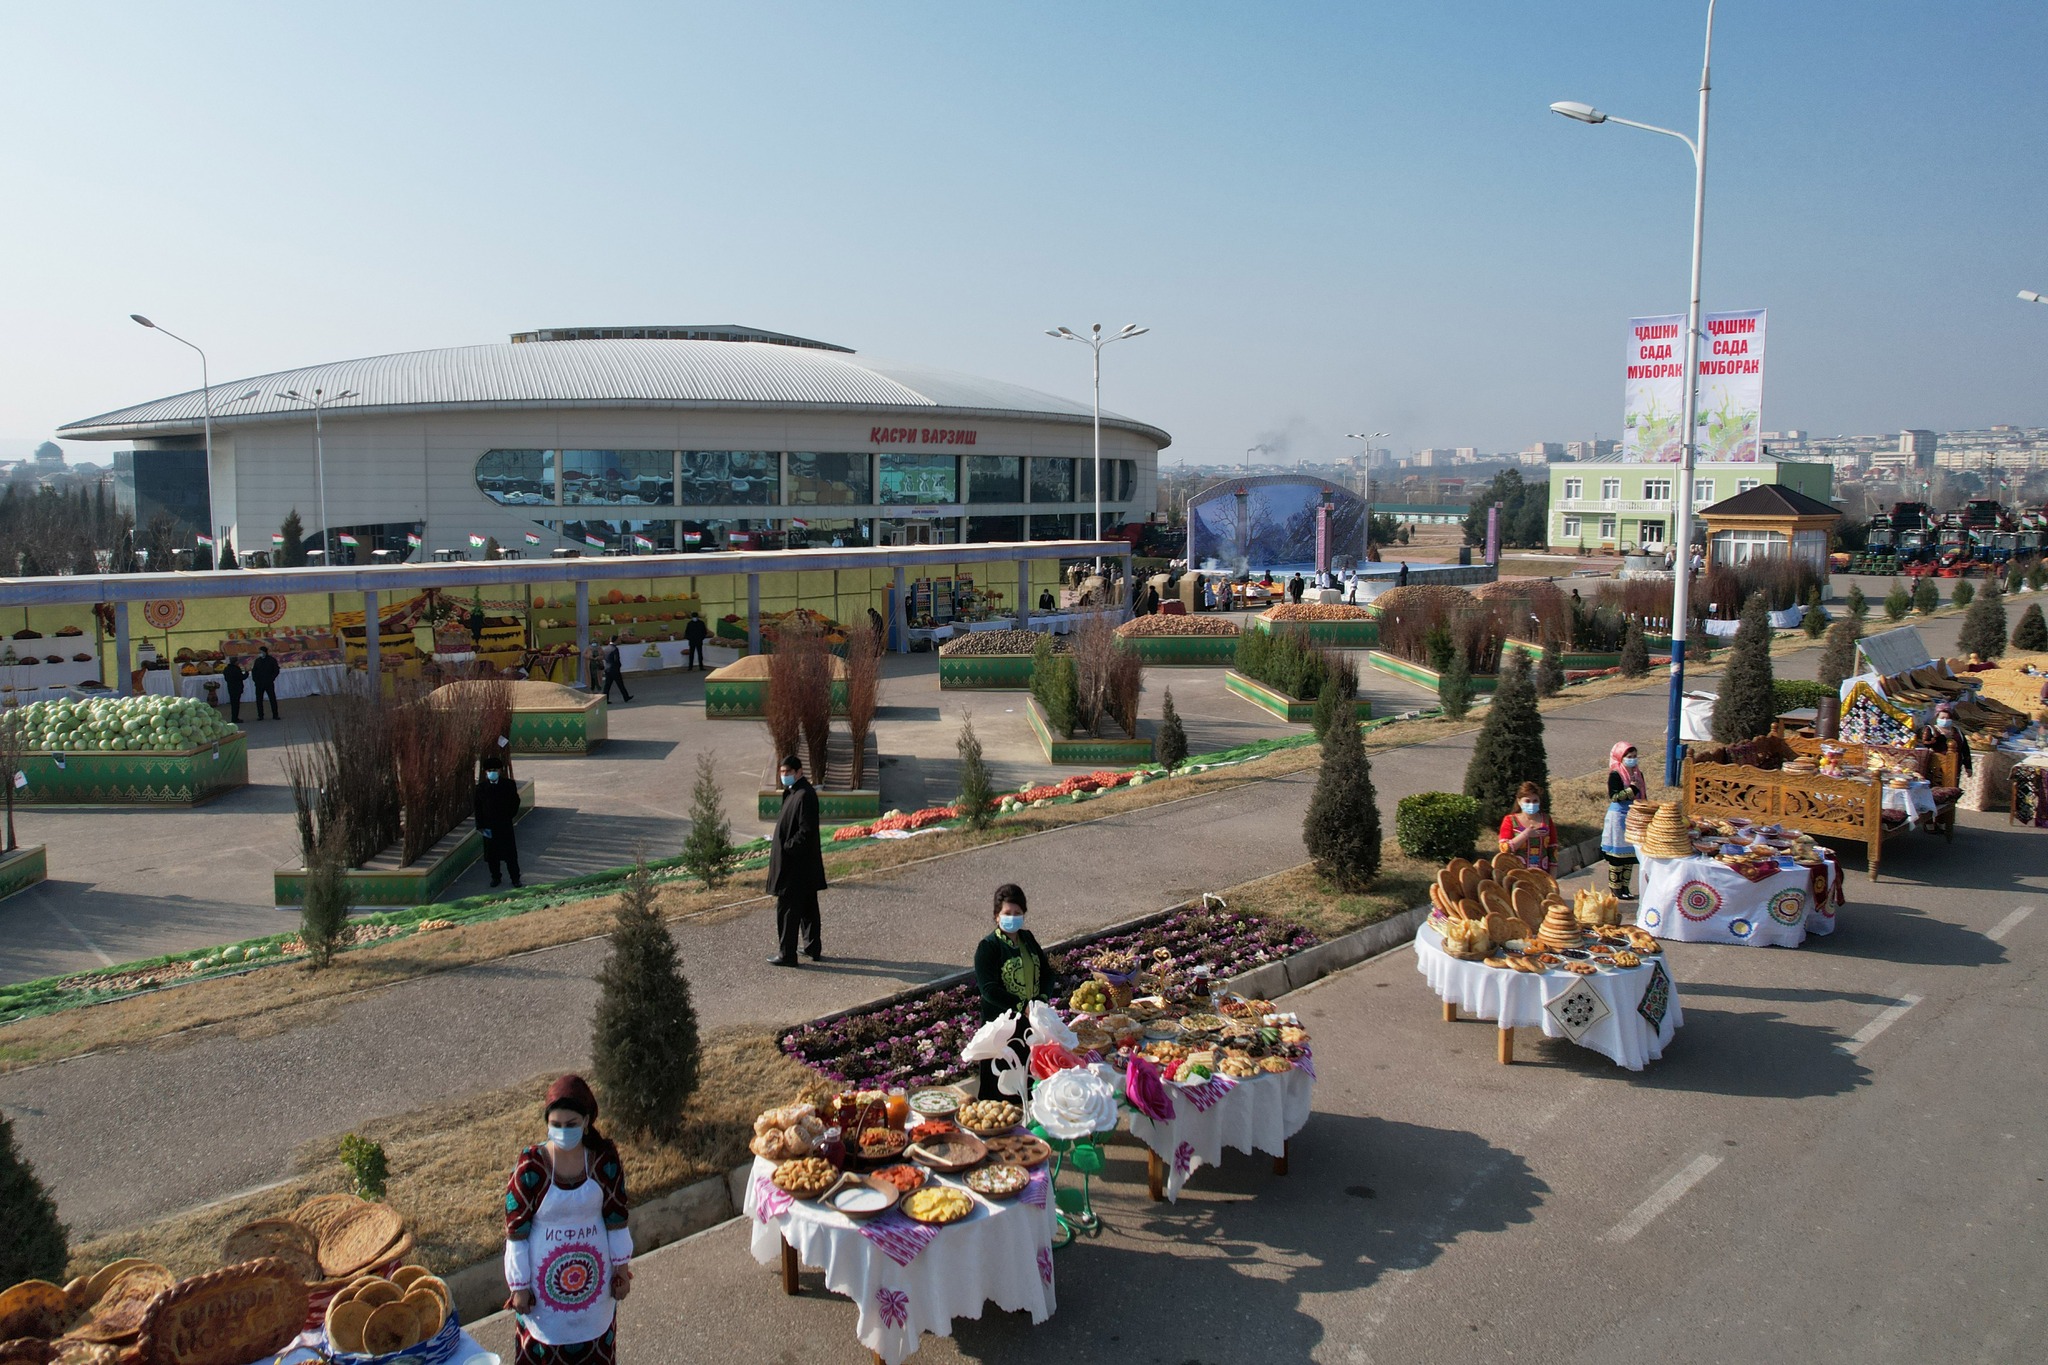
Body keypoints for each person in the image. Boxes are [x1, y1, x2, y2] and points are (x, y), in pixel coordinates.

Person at [503, 1075, 632, 1365]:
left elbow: (617, 1219)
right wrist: (519, 1286)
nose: (562, 1131)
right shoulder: (531, 1165)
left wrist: (622, 1271)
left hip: (595, 1297)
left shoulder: (603, 1159)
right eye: (555, 1125)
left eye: (571, 1124)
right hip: (542, 1300)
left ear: (587, 1122)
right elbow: (516, 1233)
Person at [972, 883, 1053, 1100]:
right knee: (1001, 1087)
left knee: (1028, 1081)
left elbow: (1047, 974)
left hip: (1029, 1024)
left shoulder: (1028, 939)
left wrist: (1041, 1000)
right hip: (1001, 1027)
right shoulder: (988, 947)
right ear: (997, 916)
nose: (1013, 918)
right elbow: (989, 990)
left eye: (1018, 913)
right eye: (1008, 913)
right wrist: (1021, 1006)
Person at [766, 753, 825, 966]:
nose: (784, 776)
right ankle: (812, 947)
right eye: (782, 772)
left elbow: (805, 831)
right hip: (803, 866)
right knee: (808, 907)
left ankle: (787, 954)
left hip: (795, 866)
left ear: (799, 772)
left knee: (787, 910)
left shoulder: (804, 795)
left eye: (788, 772)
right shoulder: (794, 792)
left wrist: (789, 848)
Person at [1602, 742, 1647, 900]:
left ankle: (1625, 886)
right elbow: (1614, 796)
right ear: (1621, 758)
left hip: (1634, 815)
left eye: (1635, 757)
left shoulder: (1638, 774)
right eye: (1629, 757)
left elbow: (1643, 795)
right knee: (1617, 855)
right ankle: (1615, 888)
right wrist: (1632, 789)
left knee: (1630, 855)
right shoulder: (1616, 774)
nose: (1632, 760)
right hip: (1619, 816)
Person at [476, 755, 522, 888]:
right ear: (485, 772)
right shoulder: (481, 788)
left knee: (510, 855)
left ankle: (515, 878)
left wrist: (509, 816)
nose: (492, 773)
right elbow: (478, 808)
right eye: (489, 770)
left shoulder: (508, 785)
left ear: (500, 770)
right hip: (488, 826)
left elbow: (515, 802)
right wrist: (480, 826)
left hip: (504, 825)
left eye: (495, 770)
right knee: (492, 855)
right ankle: (495, 877)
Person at [1498, 780, 1558, 873]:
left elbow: (1553, 851)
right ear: (1519, 801)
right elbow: (1504, 849)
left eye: (1535, 801)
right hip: (1517, 875)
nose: (1531, 804)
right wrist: (1526, 834)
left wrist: (1553, 879)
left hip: (1541, 875)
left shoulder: (1546, 820)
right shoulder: (1510, 820)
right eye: (1527, 801)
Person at [1922, 703, 1974, 779]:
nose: (1945, 720)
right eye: (1942, 718)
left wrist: (1968, 767)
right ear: (1937, 718)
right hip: (1936, 769)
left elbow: (1965, 750)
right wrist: (1939, 738)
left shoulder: (1957, 731)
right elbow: (1926, 744)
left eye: (1948, 718)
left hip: (1955, 768)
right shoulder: (1931, 730)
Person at [251, 645, 281, 720]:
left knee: (272, 699)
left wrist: (271, 678)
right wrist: (255, 680)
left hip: (269, 682)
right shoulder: (257, 661)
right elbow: (254, 671)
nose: (260, 653)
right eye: (259, 652)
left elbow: (276, 670)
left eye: (261, 652)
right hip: (259, 683)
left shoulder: (271, 660)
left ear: (265, 652)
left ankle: (275, 714)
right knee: (259, 700)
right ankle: (260, 715)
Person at [602, 637, 632, 703]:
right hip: (614, 669)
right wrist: (619, 666)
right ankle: (626, 697)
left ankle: (604, 700)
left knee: (607, 685)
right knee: (620, 684)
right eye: (618, 640)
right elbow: (616, 660)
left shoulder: (606, 648)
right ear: (615, 640)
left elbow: (604, 657)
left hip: (607, 668)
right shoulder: (615, 649)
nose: (619, 641)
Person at [221, 656, 247, 725]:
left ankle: (234, 717)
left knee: (233, 703)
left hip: (230, 687)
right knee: (236, 703)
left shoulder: (227, 669)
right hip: (237, 688)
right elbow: (242, 677)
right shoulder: (236, 669)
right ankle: (235, 718)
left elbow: (226, 678)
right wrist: (246, 672)